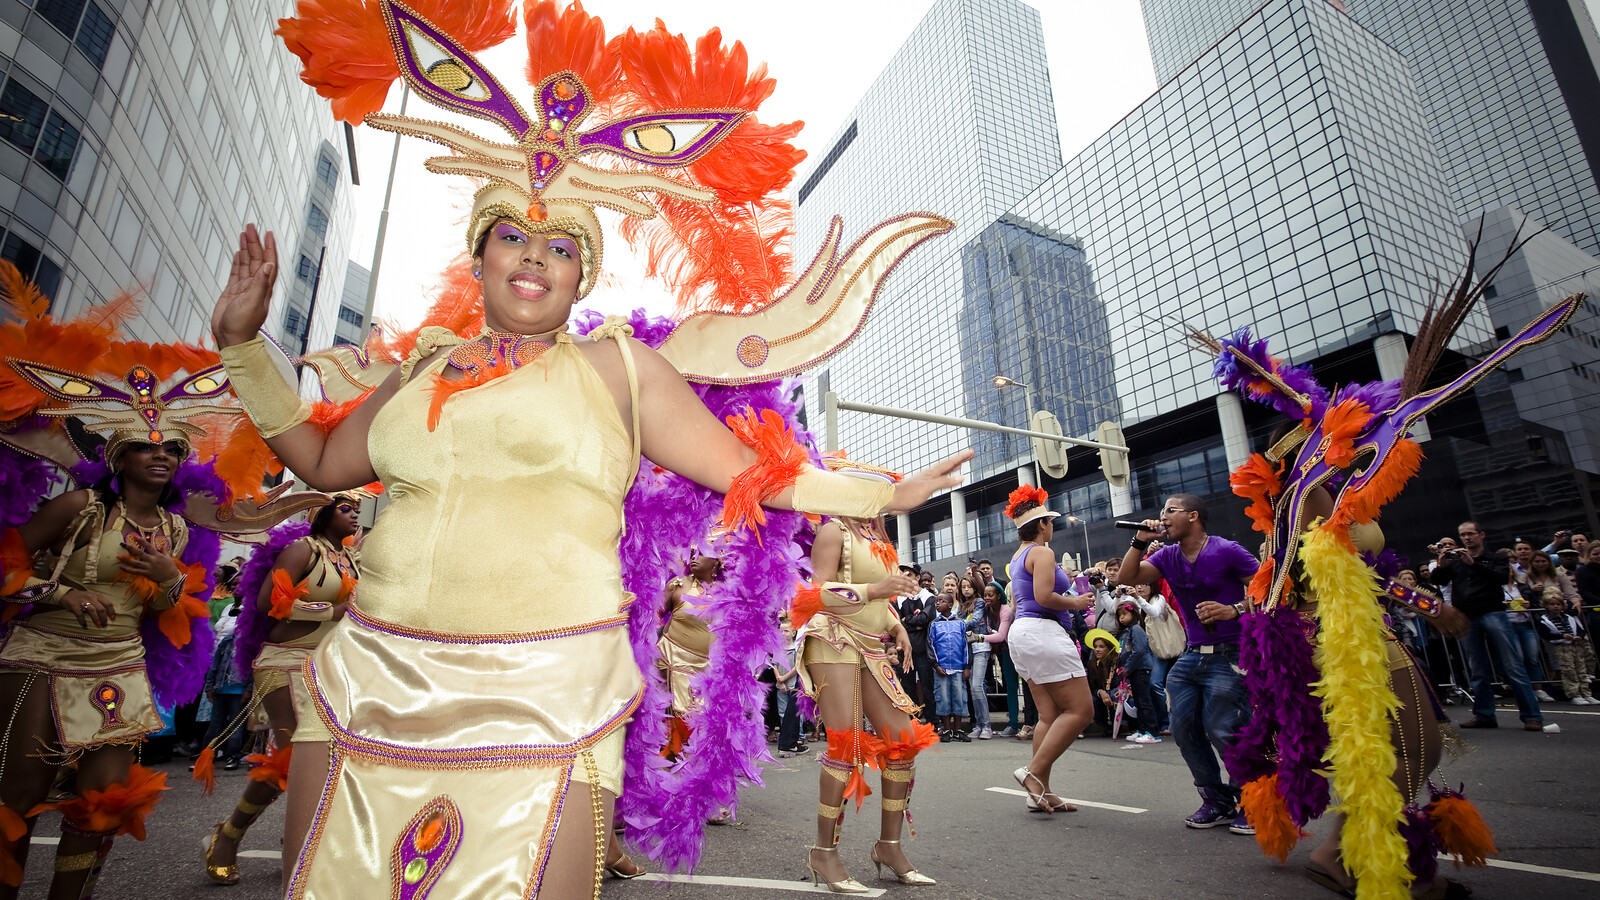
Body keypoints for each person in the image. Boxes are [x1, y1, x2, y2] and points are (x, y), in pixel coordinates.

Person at [224, 5, 967, 894]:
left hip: (551, 681)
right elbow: (321, 461)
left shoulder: (619, 367)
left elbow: (751, 478)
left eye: (561, 246)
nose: (534, 257)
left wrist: (876, 496)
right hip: (372, 673)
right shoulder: (423, 366)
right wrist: (242, 347)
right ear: (481, 254)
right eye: (513, 237)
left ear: (584, 273)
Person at [0, 271, 315, 898]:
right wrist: (62, 593)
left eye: (172, 446)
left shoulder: (175, 531)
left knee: (106, 803)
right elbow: (7, 562)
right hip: (42, 656)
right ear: (119, 457)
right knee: (19, 796)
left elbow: (179, 610)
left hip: (119, 663)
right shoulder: (80, 508)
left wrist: (171, 580)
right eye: (146, 447)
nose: (162, 455)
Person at [200, 493, 365, 885]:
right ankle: (228, 835)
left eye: (357, 508)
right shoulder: (301, 549)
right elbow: (267, 603)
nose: (355, 514)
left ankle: (301, 834)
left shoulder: (349, 558)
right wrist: (332, 611)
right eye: (346, 508)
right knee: (293, 757)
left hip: (331, 665)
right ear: (321, 513)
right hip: (287, 661)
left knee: (332, 757)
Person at [793, 456, 936, 892]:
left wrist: (895, 625)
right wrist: (873, 591)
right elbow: (810, 594)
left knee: (903, 740)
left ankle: (888, 845)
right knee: (845, 743)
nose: (880, 502)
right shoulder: (833, 529)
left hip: (872, 645)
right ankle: (824, 853)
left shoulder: (878, 536)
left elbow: (884, 595)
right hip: (832, 638)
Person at [1118, 494, 1258, 833]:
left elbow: (1270, 589)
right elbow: (1124, 576)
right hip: (1192, 653)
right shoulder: (1167, 555)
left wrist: (1234, 610)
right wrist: (1140, 540)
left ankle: (1252, 802)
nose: (1162, 516)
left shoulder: (1226, 550)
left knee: (1222, 728)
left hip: (1231, 653)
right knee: (1183, 729)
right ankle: (1216, 800)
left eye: (1170, 510)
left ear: (1193, 516)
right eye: (1162, 511)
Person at [1003, 486, 1093, 814]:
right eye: (1051, 521)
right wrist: (1077, 602)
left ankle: (1040, 791)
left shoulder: (1017, 556)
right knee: (1081, 711)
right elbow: (1043, 597)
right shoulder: (1042, 553)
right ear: (1042, 525)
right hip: (1042, 632)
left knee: (1049, 715)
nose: (1053, 526)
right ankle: (1032, 773)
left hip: (1024, 634)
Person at [1432, 522, 1544, 730]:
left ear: (1481, 535)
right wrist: (1442, 563)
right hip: (1467, 615)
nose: (1467, 538)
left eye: (1471, 534)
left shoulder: (1496, 558)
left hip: (1492, 612)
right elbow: (1439, 580)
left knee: (1513, 665)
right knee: (1477, 668)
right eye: (1463, 535)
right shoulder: (1456, 562)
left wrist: (1473, 563)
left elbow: (1501, 577)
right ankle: (1484, 715)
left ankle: (1532, 715)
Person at [1535, 588, 1594, 704]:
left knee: (1581, 670)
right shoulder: (1545, 620)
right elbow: (1545, 634)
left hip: (1575, 646)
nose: (1555, 607)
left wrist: (1579, 637)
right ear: (1546, 606)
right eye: (1552, 604)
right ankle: (1574, 694)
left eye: (1558, 604)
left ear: (1563, 605)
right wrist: (1561, 636)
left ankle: (1586, 693)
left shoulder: (1569, 618)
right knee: (1568, 671)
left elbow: (1580, 630)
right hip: (1561, 647)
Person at [978, 582, 1021, 737]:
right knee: (1010, 686)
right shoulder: (987, 610)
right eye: (985, 595)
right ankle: (1013, 723)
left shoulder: (1006, 611)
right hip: (1002, 650)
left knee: (1015, 686)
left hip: (1013, 650)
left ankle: (1020, 723)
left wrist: (980, 638)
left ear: (999, 596)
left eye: (991, 595)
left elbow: (1001, 635)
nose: (987, 598)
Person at [1115, 600, 1161, 743]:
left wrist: (1127, 667)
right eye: (1119, 615)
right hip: (1134, 669)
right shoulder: (1126, 631)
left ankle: (1152, 732)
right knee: (1139, 702)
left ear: (1133, 614)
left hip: (1140, 668)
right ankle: (1142, 730)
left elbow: (1139, 650)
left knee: (1144, 700)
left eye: (1124, 614)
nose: (1121, 618)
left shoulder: (1136, 630)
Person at [897, 570, 937, 722]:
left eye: (909, 576)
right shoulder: (899, 599)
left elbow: (926, 617)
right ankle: (912, 721)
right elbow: (897, 623)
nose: (905, 579)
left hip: (923, 651)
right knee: (908, 688)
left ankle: (933, 722)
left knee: (927, 688)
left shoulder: (928, 597)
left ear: (918, 577)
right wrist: (914, 623)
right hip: (906, 651)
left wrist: (907, 619)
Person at [929, 593, 970, 741]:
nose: (938, 604)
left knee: (959, 697)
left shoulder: (960, 623)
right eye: (937, 601)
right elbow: (931, 646)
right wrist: (936, 665)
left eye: (942, 601)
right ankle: (947, 730)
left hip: (958, 667)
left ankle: (958, 729)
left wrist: (966, 667)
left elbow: (965, 646)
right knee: (943, 698)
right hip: (942, 668)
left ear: (951, 605)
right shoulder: (934, 624)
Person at [961, 579, 993, 739]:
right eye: (963, 587)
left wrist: (955, 622)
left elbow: (974, 622)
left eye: (969, 586)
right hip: (968, 649)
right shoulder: (963, 605)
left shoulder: (979, 602)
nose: (966, 590)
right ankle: (979, 725)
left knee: (977, 686)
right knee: (973, 688)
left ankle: (986, 726)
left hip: (980, 646)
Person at [1083, 629, 1123, 737]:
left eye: (1101, 646)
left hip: (1117, 696)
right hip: (1102, 697)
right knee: (1093, 698)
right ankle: (1103, 723)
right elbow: (1091, 688)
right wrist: (1100, 692)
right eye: (1095, 647)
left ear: (1109, 648)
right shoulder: (1092, 665)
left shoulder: (1118, 662)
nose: (1097, 650)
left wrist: (1111, 694)